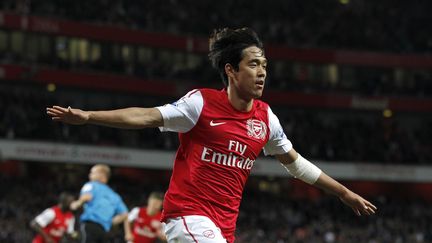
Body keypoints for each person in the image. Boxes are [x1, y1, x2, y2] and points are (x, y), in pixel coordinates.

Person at [47, 27, 377, 243]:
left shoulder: (265, 119)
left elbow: (297, 164)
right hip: (186, 215)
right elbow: (146, 116)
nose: (262, 72)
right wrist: (89, 116)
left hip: (223, 227)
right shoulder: (200, 103)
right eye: (253, 64)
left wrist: (343, 193)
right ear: (231, 70)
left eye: (264, 65)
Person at [70, 164, 129, 243]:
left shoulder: (91, 185)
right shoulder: (115, 195)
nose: (90, 175)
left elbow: (87, 196)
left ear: (102, 174)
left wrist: (77, 203)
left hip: (90, 226)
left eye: (92, 172)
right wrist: (110, 221)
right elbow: (124, 214)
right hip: (104, 231)